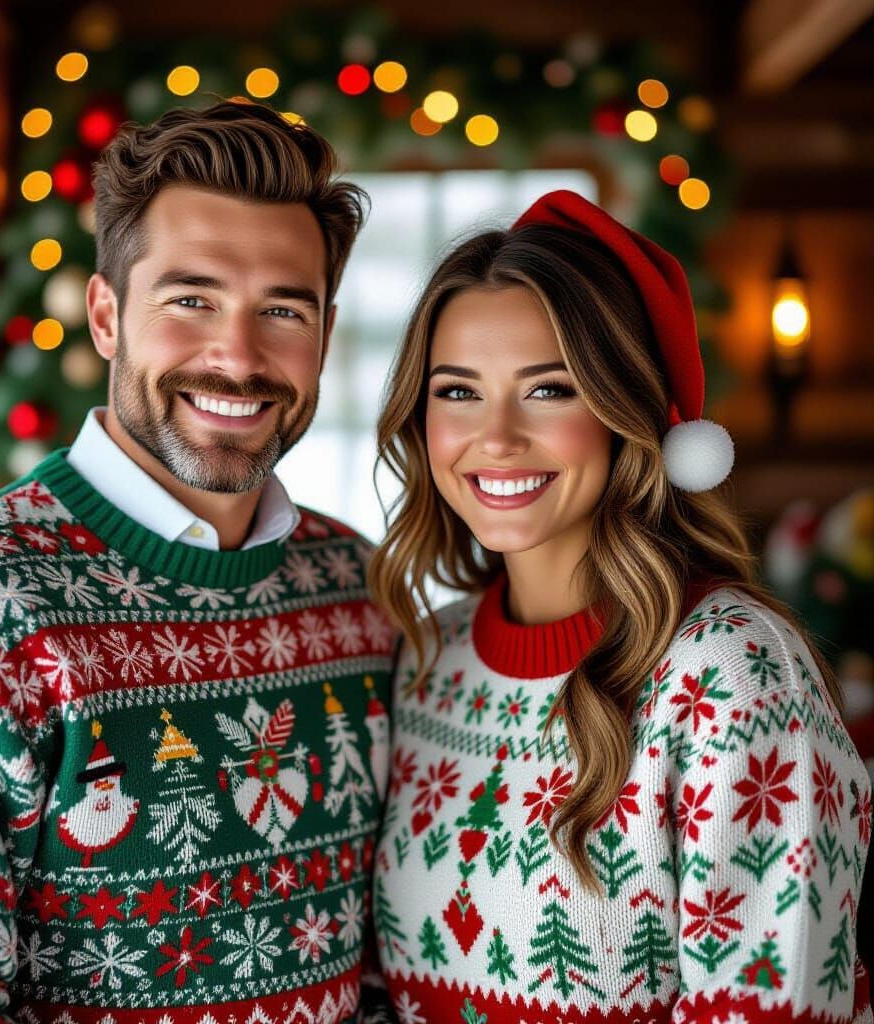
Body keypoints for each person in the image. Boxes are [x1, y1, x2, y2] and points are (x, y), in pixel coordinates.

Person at [0, 102, 397, 1024]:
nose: (238, 355)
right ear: (106, 315)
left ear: (325, 336)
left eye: (282, 310)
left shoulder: (358, 587)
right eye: (192, 300)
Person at [367, 190, 872, 1023]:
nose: (495, 436)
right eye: (457, 391)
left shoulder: (732, 676)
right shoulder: (429, 660)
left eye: (549, 390)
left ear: (625, 413)